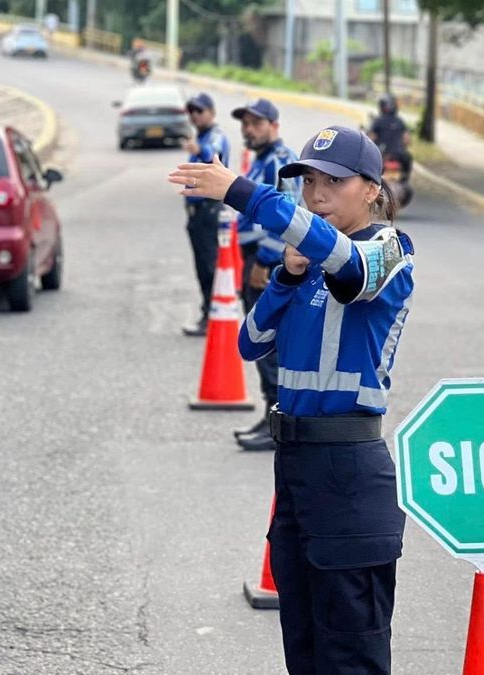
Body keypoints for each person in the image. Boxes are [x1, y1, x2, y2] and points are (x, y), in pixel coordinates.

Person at [169, 125, 415, 674]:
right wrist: (283, 275)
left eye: (333, 181)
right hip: (297, 468)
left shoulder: (388, 251)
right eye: (306, 182)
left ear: (372, 190)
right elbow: (249, 342)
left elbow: (349, 266)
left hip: (349, 472)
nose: (317, 193)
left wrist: (244, 193)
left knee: (350, 655)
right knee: (302, 650)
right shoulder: (306, 266)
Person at [229, 98, 301, 450]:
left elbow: (286, 216)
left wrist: (265, 260)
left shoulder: (279, 162)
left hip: (268, 262)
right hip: (257, 257)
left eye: (256, 123)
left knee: (269, 343)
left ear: (274, 125)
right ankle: (271, 416)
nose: (249, 129)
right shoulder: (262, 160)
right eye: (245, 123)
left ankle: (278, 423)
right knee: (264, 344)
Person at [179, 92, 231, 337]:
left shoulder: (214, 137)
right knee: (202, 266)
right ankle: (209, 312)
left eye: (200, 111)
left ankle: (213, 316)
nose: (195, 116)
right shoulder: (200, 136)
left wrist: (198, 149)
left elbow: (214, 155)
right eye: (192, 112)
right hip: (196, 212)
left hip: (208, 210)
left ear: (212, 112)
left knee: (209, 266)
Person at [368, 94, 411, 175]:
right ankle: (403, 180)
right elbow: (407, 140)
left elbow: (370, 139)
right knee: (408, 160)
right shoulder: (399, 121)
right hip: (401, 156)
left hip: (384, 156)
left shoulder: (378, 121)